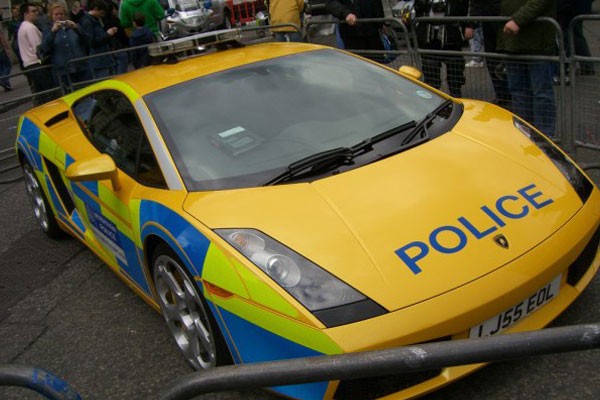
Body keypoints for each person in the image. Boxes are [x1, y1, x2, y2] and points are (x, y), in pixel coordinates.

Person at [497, 0, 556, 137]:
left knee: (541, 93)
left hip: (537, 44)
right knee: (518, 92)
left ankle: (544, 138)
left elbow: (538, 3)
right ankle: (524, 134)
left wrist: (517, 20)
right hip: (512, 44)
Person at [413, 0, 469, 98]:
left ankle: (455, 94)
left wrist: (469, 25)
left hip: (451, 33)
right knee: (430, 66)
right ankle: (432, 96)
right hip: (428, 35)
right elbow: (418, 7)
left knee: (455, 65)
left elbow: (464, 8)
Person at [466, 0, 511, 108]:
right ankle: (501, 94)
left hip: (507, 20)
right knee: (492, 59)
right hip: (489, 22)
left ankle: (511, 94)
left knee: (508, 58)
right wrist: (471, 24)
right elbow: (476, 4)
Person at [40, 3, 91, 90]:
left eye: (61, 14)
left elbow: (87, 40)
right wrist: (53, 32)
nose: (59, 16)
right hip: (63, 70)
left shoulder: (73, 26)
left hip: (81, 66)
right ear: (51, 16)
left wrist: (76, 28)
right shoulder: (47, 30)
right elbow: (45, 48)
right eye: (56, 14)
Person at [18, 2, 58, 105]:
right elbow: (39, 47)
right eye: (33, 11)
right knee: (51, 92)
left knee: (41, 95)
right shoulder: (30, 28)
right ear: (25, 14)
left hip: (29, 64)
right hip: (37, 63)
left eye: (36, 10)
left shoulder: (23, 26)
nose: (36, 13)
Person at [79, 0, 118, 78]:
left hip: (103, 58)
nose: (102, 16)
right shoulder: (87, 22)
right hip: (98, 61)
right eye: (101, 13)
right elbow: (92, 42)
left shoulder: (94, 20)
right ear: (96, 9)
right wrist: (108, 34)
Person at [557, 0, 595, 77]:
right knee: (575, 35)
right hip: (573, 9)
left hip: (569, 10)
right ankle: (587, 66)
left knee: (570, 36)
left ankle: (568, 67)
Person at [104, 1, 130, 74]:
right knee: (122, 69)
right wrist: (127, 42)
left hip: (110, 49)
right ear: (112, 10)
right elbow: (122, 35)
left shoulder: (103, 22)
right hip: (119, 47)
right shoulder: (115, 21)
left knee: (114, 69)